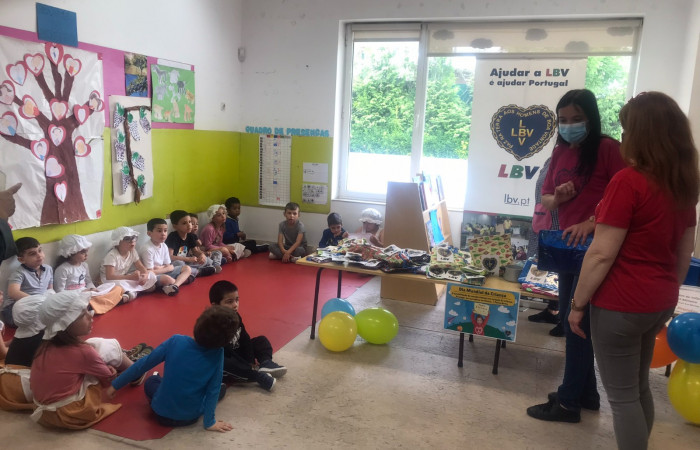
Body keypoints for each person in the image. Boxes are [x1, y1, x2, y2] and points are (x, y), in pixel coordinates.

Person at [568, 92, 698, 449]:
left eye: (626, 130)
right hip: (659, 299)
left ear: (642, 135)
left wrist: (577, 304)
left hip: (620, 303)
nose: (622, 137)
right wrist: (667, 292)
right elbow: (684, 253)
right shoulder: (683, 185)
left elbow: (601, 254)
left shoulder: (628, 181)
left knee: (622, 397)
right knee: (638, 388)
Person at [527, 89, 627, 424]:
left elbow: (624, 198)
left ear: (591, 118)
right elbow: (545, 199)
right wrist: (557, 197)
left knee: (577, 324)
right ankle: (586, 395)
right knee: (574, 323)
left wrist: (592, 221)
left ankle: (568, 402)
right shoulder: (559, 150)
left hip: (594, 248)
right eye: (563, 120)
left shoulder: (608, 149)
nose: (569, 126)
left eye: (577, 119)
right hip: (567, 248)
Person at [106, 306, 239, 432]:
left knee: (151, 381)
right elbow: (213, 390)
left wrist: (116, 384)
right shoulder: (217, 353)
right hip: (190, 417)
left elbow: (143, 364)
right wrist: (210, 423)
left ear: (198, 323)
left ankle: (160, 381)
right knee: (220, 389)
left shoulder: (175, 341)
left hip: (160, 414)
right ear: (225, 341)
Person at [30, 291, 144, 429]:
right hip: (70, 413)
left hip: (43, 413)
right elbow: (108, 380)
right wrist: (110, 371)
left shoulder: (44, 346)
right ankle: (135, 371)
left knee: (93, 346)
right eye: (82, 315)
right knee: (106, 346)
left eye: (87, 310)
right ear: (66, 325)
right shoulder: (83, 352)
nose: (90, 316)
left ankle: (122, 358)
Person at [209, 280, 286, 391]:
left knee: (261, 340)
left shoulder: (235, 316)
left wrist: (250, 360)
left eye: (237, 300)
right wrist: (247, 366)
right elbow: (226, 352)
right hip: (227, 358)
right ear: (215, 306)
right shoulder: (214, 326)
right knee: (224, 363)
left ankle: (266, 363)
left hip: (238, 352)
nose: (235, 305)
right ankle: (257, 377)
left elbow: (245, 338)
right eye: (229, 302)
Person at [527, 157, 562, 335]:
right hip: (542, 219)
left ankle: (563, 317)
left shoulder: (573, 162)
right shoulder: (551, 159)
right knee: (543, 268)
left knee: (561, 271)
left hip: (558, 225)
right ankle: (552, 310)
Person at [54, 234, 127, 314]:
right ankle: (106, 303)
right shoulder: (63, 269)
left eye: (86, 251)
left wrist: (94, 289)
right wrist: (83, 292)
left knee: (117, 288)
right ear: (71, 253)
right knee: (82, 303)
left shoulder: (84, 265)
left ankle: (96, 306)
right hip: (75, 298)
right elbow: (59, 293)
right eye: (83, 253)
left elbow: (88, 282)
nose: (86, 255)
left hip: (89, 294)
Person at [2, 237, 53, 327]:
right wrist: (37, 301)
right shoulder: (19, 273)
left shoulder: (48, 269)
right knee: (42, 320)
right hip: (14, 309)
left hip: (39, 305)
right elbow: (13, 293)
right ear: (21, 260)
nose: (39, 255)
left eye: (40, 250)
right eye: (32, 254)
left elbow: (50, 290)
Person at [139, 218, 193, 296]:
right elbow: (149, 272)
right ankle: (182, 280)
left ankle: (175, 286)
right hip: (153, 276)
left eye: (165, 231)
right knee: (167, 279)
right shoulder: (147, 249)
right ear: (149, 233)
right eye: (159, 231)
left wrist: (162, 268)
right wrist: (167, 268)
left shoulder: (163, 245)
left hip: (162, 270)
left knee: (187, 268)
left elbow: (168, 265)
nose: (163, 234)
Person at [99, 226, 157, 299]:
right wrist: (130, 277)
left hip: (124, 277)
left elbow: (141, 267)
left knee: (151, 275)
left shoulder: (133, 251)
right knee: (119, 284)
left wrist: (145, 276)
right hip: (111, 280)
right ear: (118, 242)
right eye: (128, 240)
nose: (132, 242)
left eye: (134, 239)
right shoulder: (112, 255)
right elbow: (109, 276)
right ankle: (133, 292)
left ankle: (131, 292)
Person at [166, 210, 222, 277]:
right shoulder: (172, 237)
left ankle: (211, 265)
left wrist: (201, 255)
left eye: (190, 222)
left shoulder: (190, 235)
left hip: (188, 261)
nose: (189, 225)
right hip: (178, 262)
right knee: (178, 264)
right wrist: (188, 259)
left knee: (206, 259)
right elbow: (170, 257)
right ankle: (198, 271)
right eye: (184, 223)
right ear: (175, 226)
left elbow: (195, 251)